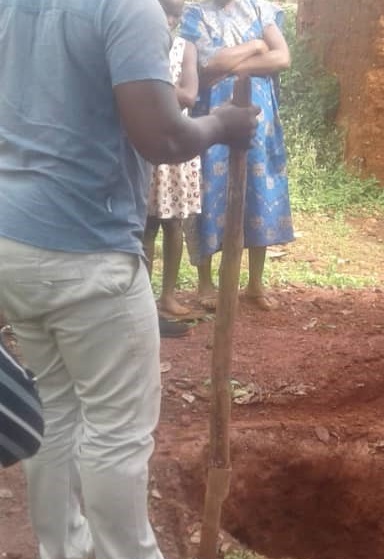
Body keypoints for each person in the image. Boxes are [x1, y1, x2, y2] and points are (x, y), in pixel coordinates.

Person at [0, 0, 259, 559]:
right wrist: (221, 123)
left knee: (56, 409)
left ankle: (62, 557)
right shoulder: (125, 7)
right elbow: (164, 138)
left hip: (14, 239)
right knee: (117, 427)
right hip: (85, 246)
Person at [180, 0, 294, 312]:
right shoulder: (195, 14)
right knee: (208, 195)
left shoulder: (260, 9)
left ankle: (254, 284)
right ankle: (205, 284)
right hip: (212, 120)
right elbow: (210, 63)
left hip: (259, 120)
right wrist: (257, 46)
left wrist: (234, 65)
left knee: (258, 194)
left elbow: (282, 57)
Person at [142, 0, 203, 336]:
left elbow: (191, 96)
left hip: (177, 144)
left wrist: (152, 91)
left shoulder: (186, 48)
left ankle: (168, 296)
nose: (171, 19)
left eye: (176, 14)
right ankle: (146, 299)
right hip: (147, 145)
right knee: (147, 227)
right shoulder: (138, 44)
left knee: (175, 225)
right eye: (166, 11)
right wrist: (168, 93)